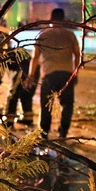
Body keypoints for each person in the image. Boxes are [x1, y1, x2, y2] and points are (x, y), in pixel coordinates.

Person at [23, 8, 80, 139]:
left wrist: (31, 75)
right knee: (67, 105)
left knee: (46, 105)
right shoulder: (70, 35)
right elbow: (77, 55)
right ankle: (63, 132)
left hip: (49, 75)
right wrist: (75, 72)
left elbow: (35, 58)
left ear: (51, 18)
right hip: (67, 74)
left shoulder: (43, 34)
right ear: (64, 19)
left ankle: (44, 133)